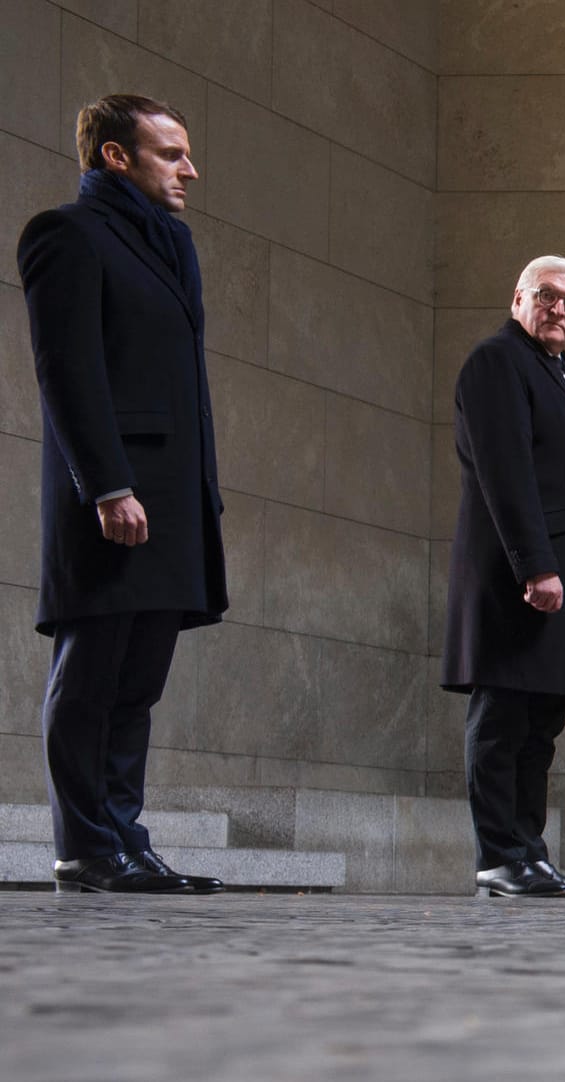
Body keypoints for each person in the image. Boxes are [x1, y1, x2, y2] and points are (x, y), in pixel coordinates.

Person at [17, 94, 227, 894]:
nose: (189, 170)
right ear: (116, 157)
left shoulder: (172, 243)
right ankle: (84, 847)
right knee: (92, 671)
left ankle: (124, 839)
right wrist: (107, 485)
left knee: (137, 682)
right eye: (171, 154)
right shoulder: (66, 236)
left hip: (172, 498)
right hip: (111, 497)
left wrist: (200, 492)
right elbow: (66, 372)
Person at [443, 255, 565, 898]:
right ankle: (498, 855)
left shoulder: (561, 369)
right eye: (549, 296)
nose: (561, 311)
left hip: (562, 575)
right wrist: (537, 564)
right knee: (503, 720)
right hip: (517, 574)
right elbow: (505, 471)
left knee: (541, 725)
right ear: (519, 295)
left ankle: (529, 851)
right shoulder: (497, 360)